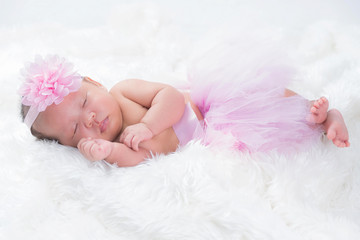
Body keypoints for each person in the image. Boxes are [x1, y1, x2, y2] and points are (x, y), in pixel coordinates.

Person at [19, 55, 350, 167]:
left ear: (95, 82)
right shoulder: (118, 142)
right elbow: (143, 160)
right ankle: (314, 126)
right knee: (270, 138)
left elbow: (172, 99)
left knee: (255, 94)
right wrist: (108, 152)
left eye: (85, 102)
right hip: (212, 136)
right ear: (67, 146)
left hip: (210, 107)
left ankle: (319, 110)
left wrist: (147, 126)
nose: (90, 120)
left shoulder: (123, 91)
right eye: (76, 130)